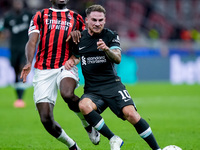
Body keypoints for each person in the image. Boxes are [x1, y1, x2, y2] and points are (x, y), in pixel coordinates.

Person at [65, 4, 161, 150]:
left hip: (112, 85)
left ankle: (157, 149)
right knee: (83, 105)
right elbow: (78, 56)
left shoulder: (110, 35)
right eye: (94, 20)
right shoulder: (79, 39)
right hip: (93, 89)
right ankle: (113, 138)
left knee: (132, 115)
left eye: (100, 20)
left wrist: (106, 49)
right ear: (87, 20)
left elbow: (117, 58)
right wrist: (73, 60)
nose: (97, 23)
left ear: (105, 20)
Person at [20, 0, 100, 149]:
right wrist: (29, 62)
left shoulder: (76, 18)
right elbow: (32, 41)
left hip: (66, 65)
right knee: (46, 119)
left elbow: (87, 40)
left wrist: (79, 36)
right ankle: (72, 145)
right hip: (43, 70)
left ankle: (87, 124)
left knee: (67, 94)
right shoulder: (40, 15)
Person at [0, 0, 33, 108]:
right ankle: (18, 97)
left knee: (21, 68)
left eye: (19, 3)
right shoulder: (8, 17)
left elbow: (36, 29)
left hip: (25, 48)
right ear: (13, 5)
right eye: (16, 3)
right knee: (15, 72)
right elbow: (4, 31)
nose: (18, 5)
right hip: (13, 49)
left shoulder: (28, 15)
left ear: (22, 4)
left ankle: (20, 98)